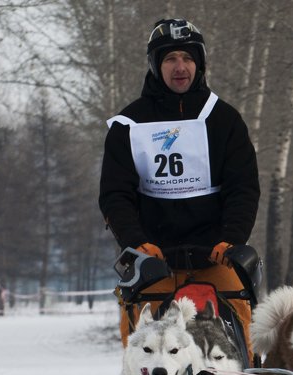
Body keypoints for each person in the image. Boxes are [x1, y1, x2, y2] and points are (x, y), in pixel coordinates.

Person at [99, 17, 260, 351]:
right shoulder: (128, 125)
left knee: (241, 319)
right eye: (170, 58)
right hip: (154, 260)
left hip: (214, 256)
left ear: (199, 64)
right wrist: (137, 243)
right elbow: (116, 195)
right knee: (141, 340)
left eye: (188, 58)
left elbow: (243, 187)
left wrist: (232, 238)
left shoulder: (224, 119)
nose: (180, 66)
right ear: (157, 66)